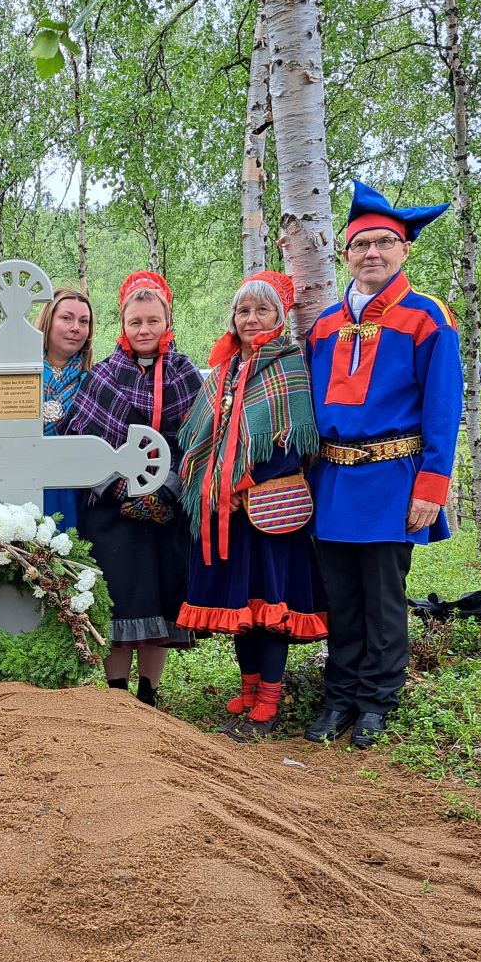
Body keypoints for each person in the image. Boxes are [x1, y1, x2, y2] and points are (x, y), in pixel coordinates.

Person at [303, 180, 463, 749]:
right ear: (345, 253)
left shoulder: (428, 318)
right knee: (340, 600)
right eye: (361, 244)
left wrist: (433, 486)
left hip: (394, 481)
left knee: (384, 599)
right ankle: (340, 696)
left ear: (404, 252)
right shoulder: (323, 326)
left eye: (383, 244)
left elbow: (444, 410)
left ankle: (377, 701)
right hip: (333, 481)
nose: (371, 253)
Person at [176, 270, 326, 740]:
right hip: (228, 515)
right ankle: (248, 686)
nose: (251, 318)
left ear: (279, 317)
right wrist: (210, 484)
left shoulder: (290, 368)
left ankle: (270, 696)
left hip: (268, 510)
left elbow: (292, 441)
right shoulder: (221, 370)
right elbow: (204, 439)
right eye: (243, 310)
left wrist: (240, 484)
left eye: (263, 310)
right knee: (241, 607)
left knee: (270, 607)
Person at [66, 271, 202, 707]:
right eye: (135, 322)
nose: (144, 330)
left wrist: (164, 493)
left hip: (166, 511)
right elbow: (82, 440)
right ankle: (116, 695)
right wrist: (121, 491)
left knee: (160, 597)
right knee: (119, 596)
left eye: (152, 321)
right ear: (122, 325)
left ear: (167, 321)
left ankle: (149, 693)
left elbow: (199, 441)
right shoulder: (103, 375)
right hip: (113, 513)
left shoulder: (185, 375)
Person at [37, 287, 94, 533]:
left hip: (74, 492)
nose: (76, 328)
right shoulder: (18, 375)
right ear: (49, 321)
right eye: (67, 318)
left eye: (84, 321)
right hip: (28, 483)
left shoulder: (94, 381)